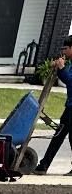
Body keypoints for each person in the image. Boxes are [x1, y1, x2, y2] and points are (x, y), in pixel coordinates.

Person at [37, 39, 72, 174]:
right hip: (70, 106)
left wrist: (62, 68)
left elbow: (70, 81)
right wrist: (57, 68)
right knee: (59, 135)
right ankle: (43, 166)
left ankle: (44, 165)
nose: (63, 52)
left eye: (65, 49)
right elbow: (65, 77)